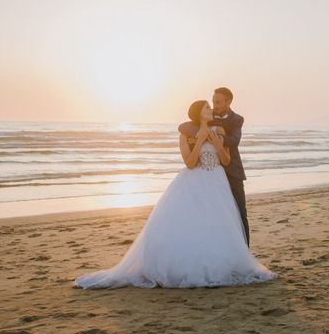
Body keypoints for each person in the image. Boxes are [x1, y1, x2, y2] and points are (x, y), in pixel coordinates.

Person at [73, 100, 277, 289]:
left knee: (216, 224)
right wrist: (200, 140)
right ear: (198, 113)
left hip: (216, 181)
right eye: (206, 107)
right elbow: (189, 162)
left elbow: (225, 160)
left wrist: (215, 143)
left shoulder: (220, 130)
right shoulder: (186, 134)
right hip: (194, 181)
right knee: (190, 223)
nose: (211, 110)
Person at [178, 87, 249, 246]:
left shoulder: (236, 120)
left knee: (239, 215)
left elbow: (234, 141)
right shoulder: (210, 119)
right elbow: (185, 126)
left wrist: (216, 139)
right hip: (207, 177)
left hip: (231, 172)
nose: (214, 106)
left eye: (217, 102)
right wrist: (199, 138)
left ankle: (244, 251)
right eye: (212, 102)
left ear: (228, 102)